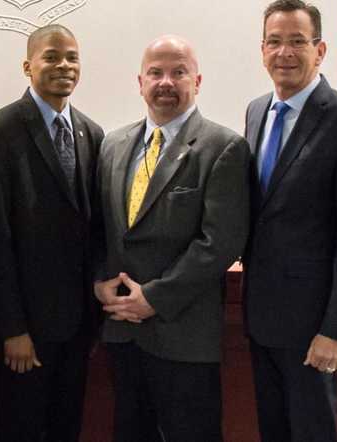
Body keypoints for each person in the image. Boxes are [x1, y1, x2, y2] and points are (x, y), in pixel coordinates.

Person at [94, 35, 250, 442]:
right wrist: (100, 282)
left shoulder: (223, 147)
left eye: (178, 72)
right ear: (139, 81)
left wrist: (154, 299)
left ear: (197, 81)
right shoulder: (113, 145)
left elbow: (220, 243)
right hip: (122, 330)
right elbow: (102, 229)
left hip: (184, 335)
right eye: (155, 72)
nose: (166, 81)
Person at [242, 1, 337, 441]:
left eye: (298, 42)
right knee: (274, 431)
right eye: (275, 41)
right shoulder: (255, 112)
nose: (285, 52)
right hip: (261, 319)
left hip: (314, 329)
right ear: (262, 49)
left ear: (320, 50)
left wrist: (336, 332)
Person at [0, 24, 104, 442]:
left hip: (78, 326)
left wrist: (95, 323)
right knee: (21, 428)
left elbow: (94, 231)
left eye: (72, 57)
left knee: (67, 427)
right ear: (28, 66)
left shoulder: (91, 133)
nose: (63, 66)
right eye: (51, 57)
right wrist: (12, 328)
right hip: (26, 329)